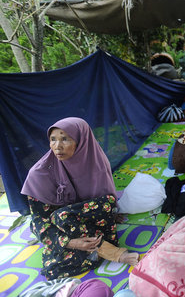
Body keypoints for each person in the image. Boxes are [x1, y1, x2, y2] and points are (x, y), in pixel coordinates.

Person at [21, 118, 138, 280]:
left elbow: (105, 200)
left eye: (65, 139)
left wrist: (110, 214)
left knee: (107, 204)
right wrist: (70, 242)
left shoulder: (95, 161)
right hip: (61, 229)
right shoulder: (40, 174)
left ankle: (100, 249)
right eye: (53, 139)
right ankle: (111, 251)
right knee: (55, 267)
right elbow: (39, 220)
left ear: (82, 141)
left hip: (87, 220)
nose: (57, 146)